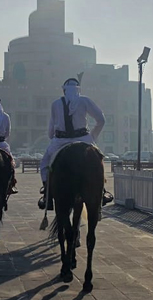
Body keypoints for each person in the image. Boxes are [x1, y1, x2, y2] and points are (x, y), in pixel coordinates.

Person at [38, 78, 114, 209]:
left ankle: (47, 195)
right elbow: (101, 119)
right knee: (97, 161)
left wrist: (52, 137)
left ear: (64, 90)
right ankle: (101, 192)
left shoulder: (56, 104)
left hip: (60, 141)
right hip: (83, 138)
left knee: (45, 164)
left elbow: (51, 129)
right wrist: (93, 135)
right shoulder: (84, 100)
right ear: (79, 89)